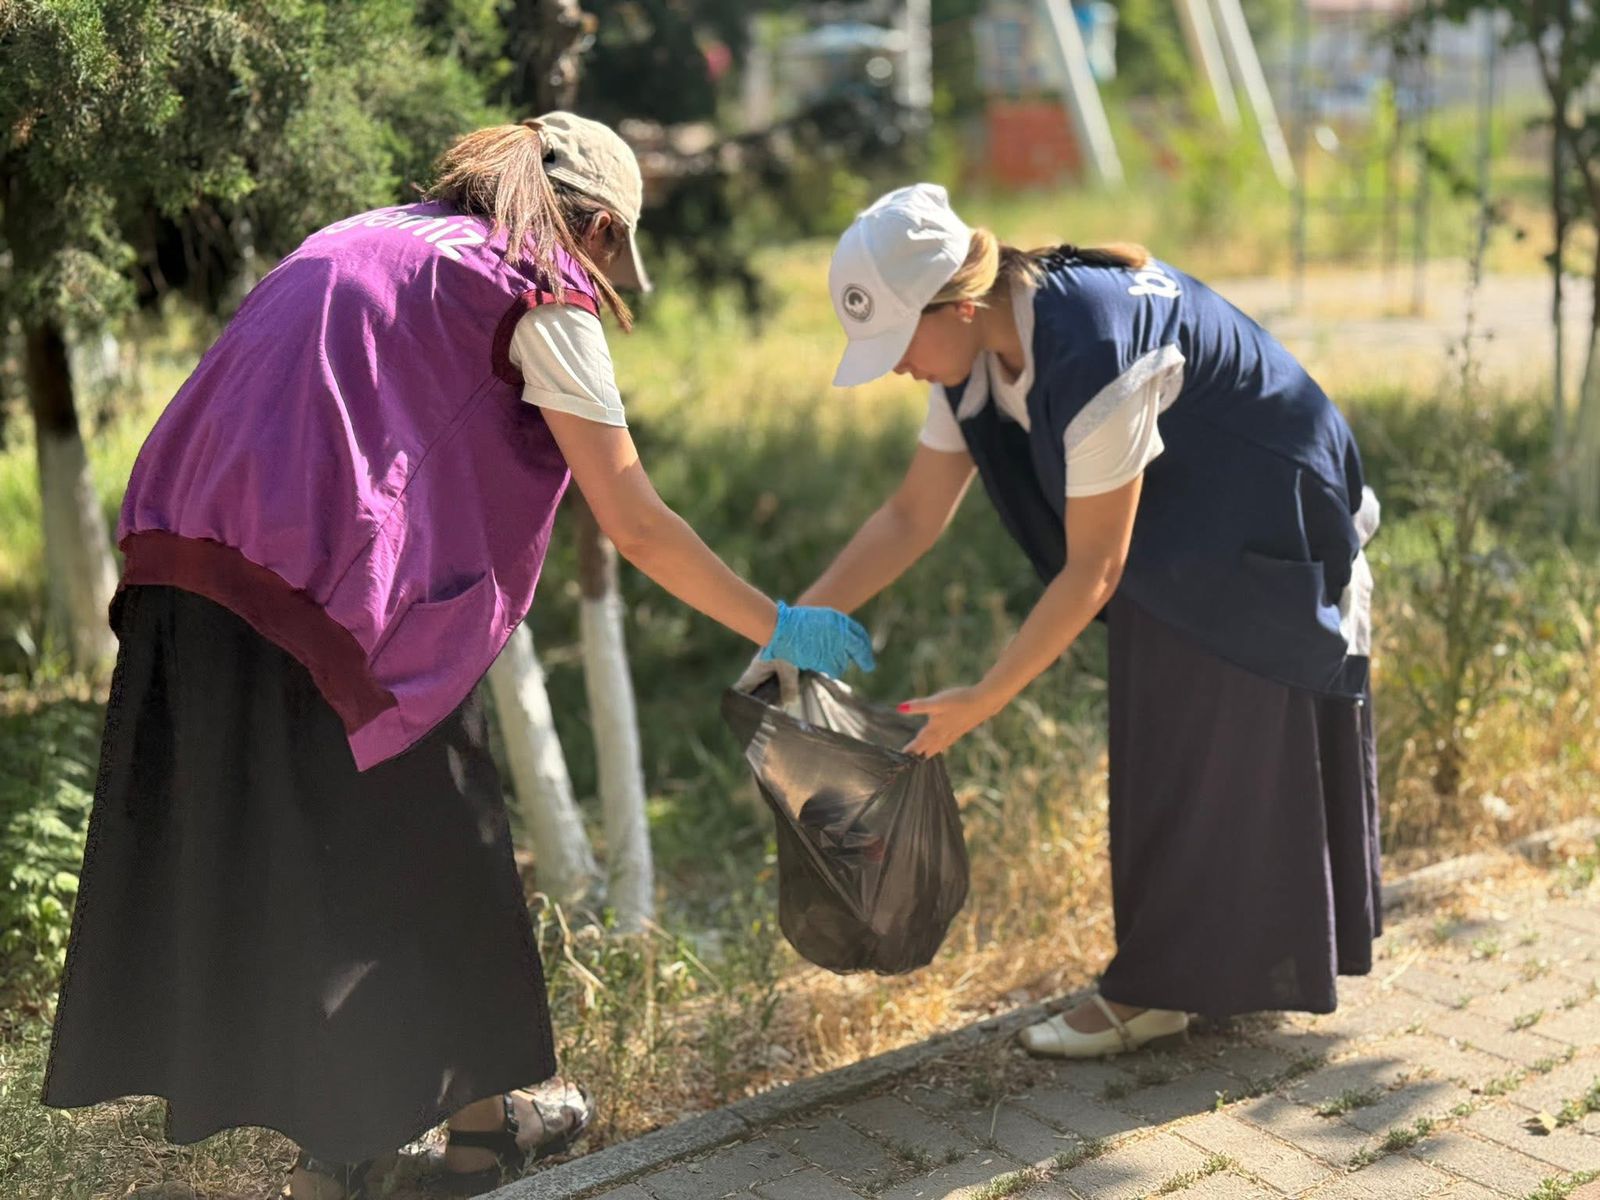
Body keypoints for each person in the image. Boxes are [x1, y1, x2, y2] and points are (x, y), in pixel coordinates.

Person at [40, 114, 874, 1200]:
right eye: (619, 251)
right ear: (603, 228)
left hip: (175, 573)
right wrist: (775, 623)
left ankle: (426, 1133)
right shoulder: (535, 291)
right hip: (323, 600)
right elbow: (635, 519)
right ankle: (411, 1146)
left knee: (364, 850)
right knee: (424, 846)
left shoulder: (366, 234)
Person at [743, 183, 1380, 1058]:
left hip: (1267, 509)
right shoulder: (971, 355)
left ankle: (1156, 994)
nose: (895, 367)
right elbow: (910, 517)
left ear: (961, 306)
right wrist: (792, 633)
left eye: (898, 342)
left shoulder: (1090, 347)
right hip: (1190, 525)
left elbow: (1095, 569)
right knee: (1173, 739)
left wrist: (985, 695)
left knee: (1216, 740)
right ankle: (1185, 985)